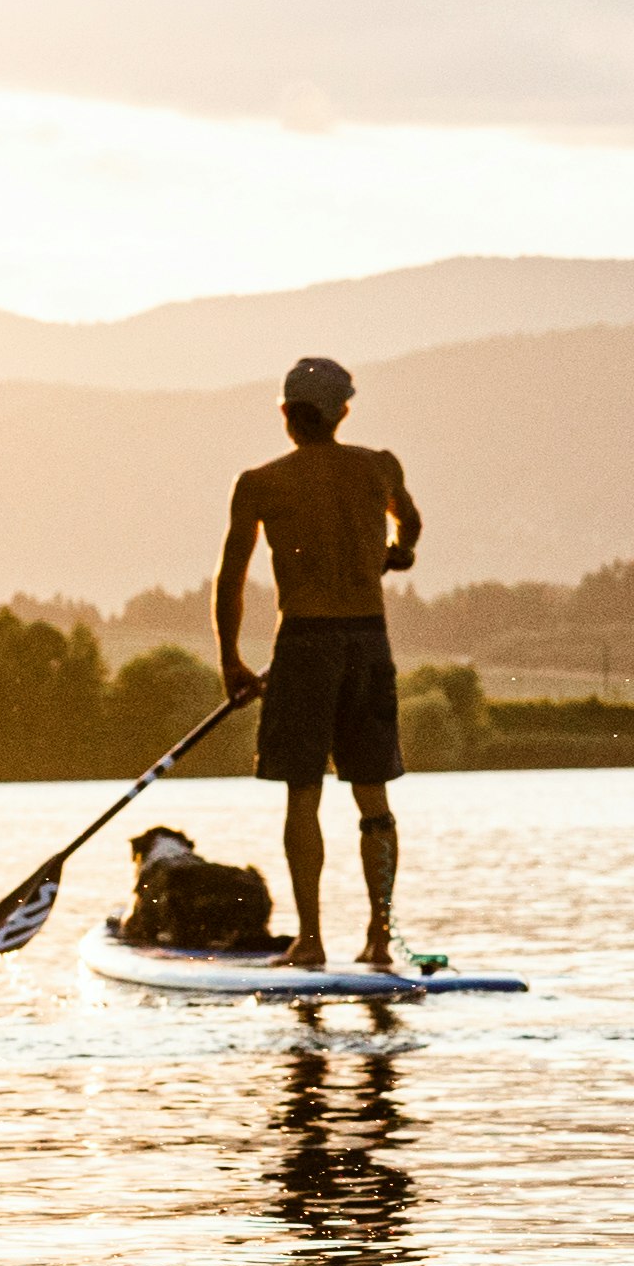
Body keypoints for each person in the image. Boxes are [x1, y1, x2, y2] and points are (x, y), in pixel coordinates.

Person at [213, 354, 425, 969]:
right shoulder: (379, 467)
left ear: (286, 414)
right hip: (368, 641)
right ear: (343, 413)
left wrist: (231, 661)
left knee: (302, 794)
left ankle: (309, 941)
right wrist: (396, 553)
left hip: (303, 644)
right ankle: (379, 940)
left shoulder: (259, 483)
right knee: (372, 797)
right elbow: (410, 525)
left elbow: (231, 578)